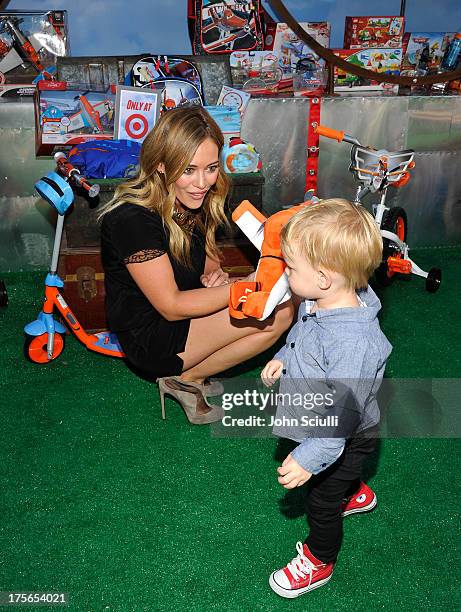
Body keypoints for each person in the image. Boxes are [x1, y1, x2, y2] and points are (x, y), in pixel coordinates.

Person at [99, 106, 293, 425]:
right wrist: (244, 287)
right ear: (161, 164)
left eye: (211, 168)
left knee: (281, 307)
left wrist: (218, 277)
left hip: (186, 309)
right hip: (152, 334)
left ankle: (188, 377)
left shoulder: (195, 198)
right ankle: (183, 378)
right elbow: (172, 306)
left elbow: (208, 264)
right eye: (188, 170)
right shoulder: (132, 219)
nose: (202, 182)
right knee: (273, 311)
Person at [260, 198, 392, 598]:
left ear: (323, 276)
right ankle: (353, 491)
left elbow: (337, 426)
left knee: (319, 500)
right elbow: (303, 336)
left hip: (344, 433)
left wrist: (306, 457)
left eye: (290, 266)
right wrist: (284, 357)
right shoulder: (322, 299)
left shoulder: (353, 344)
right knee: (336, 481)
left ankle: (320, 560)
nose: (285, 271)